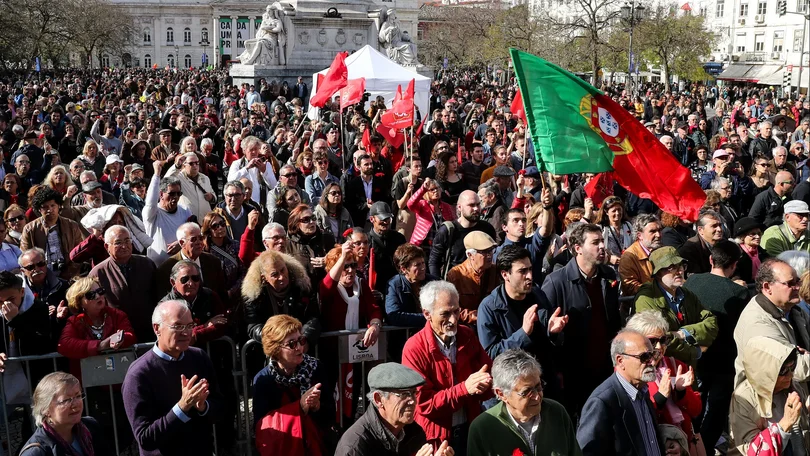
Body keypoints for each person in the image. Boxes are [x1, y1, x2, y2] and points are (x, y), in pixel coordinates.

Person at [122, 300, 223, 456]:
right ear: (157, 328)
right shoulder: (139, 374)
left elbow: (220, 407)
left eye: (189, 325)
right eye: (178, 326)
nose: (186, 332)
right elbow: (145, 437)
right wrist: (181, 408)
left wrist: (203, 407)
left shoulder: (199, 357)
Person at [401, 281, 493, 453]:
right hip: (436, 440)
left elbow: (487, 370)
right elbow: (423, 403)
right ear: (427, 314)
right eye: (445, 314)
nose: (453, 319)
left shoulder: (466, 334)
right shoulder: (414, 348)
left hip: (470, 428)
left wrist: (487, 382)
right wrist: (465, 388)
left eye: (456, 311)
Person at [682, 240, 750, 454]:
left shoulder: (691, 282)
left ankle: (690, 443)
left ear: (711, 259)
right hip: (724, 361)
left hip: (696, 357)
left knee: (694, 405)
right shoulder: (738, 292)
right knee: (717, 410)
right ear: (735, 264)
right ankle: (705, 447)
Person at [467, 349, 581, 456]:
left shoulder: (556, 413)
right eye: (526, 392)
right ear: (501, 394)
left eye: (538, 387)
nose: (537, 397)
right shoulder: (483, 428)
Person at [252, 315, 336, 456]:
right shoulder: (263, 380)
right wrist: (299, 407)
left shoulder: (316, 368)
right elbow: (261, 426)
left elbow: (330, 414)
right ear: (276, 349)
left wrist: (317, 407)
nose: (299, 347)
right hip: (284, 448)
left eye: (301, 340)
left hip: (314, 446)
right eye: (292, 344)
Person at [625, 312, 703, 456]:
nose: (660, 347)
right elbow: (635, 419)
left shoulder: (676, 365)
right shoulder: (630, 372)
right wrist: (660, 397)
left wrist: (681, 392)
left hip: (685, 442)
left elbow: (696, 410)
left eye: (663, 340)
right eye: (652, 341)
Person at [334, 363, 454, 456]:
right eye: (404, 394)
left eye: (413, 393)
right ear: (379, 399)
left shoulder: (413, 432)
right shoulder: (355, 446)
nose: (412, 401)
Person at [576, 329, 664, 456]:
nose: (651, 362)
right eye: (644, 357)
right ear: (620, 360)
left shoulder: (642, 391)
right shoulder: (602, 402)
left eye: (653, 355)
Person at [634, 246, 718, 366]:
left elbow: (712, 323)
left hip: (688, 369)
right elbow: (658, 339)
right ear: (658, 273)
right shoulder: (646, 298)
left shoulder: (686, 294)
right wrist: (695, 351)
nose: (679, 271)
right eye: (671, 268)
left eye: (681, 266)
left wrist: (683, 333)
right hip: (661, 368)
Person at [734, 258, 810, 387]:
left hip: (794, 396)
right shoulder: (757, 322)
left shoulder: (795, 311)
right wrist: (801, 357)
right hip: (768, 403)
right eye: (790, 283)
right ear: (767, 287)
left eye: (798, 281)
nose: (797, 287)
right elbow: (794, 368)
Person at [729, 336, 810, 455]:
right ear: (766, 372)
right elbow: (752, 451)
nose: (790, 375)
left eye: (792, 367)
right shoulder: (744, 399)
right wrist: (785, 423)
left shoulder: (793, 387)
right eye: (783, 371)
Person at [88, 225, 158, 341]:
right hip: (118, 335)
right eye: (118, 243)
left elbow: (157, 295)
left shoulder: (146, 264)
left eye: (127, 241)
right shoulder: (98, 273)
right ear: (107, 246)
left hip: (149, 330)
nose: (124, 246)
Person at [57, 276, 136, 376]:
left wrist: (121, 338)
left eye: (100, 291)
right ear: (79, 302)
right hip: (88, 383)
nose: (98, 296)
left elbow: (130, 335)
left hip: (118, 379)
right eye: (91, 295)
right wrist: (99, 346)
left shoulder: (117, 315)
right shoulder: (74, 321)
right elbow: (64, 345)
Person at [20, 372, 112, 455]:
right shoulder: (36, 452)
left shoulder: (90, 427)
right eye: (66, 400)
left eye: (78, 396)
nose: (75, 404)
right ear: (45, 409)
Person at [242, 249, 321, 343]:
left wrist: (302, 339)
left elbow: (313, 318)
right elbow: (253, 325)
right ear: (264, 277)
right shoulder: (254, 296)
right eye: (275, 274)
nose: (281, 277)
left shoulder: (301, 288)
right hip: (270, 350)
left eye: (283, 270)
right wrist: (278, 338)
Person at [428, 190, 496, 279]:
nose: (476, 208)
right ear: (459, 207)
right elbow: (434, 262)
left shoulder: (487, 228)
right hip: (455, 282)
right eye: (471, 205)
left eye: (478, 204)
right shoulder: (447, 230)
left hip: (484, 284)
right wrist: (438, 286)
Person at [20, 186, 84, 279]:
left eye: (53, 205)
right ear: (39, 210)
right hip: (42, 277)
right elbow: (26, 256)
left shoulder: (71, 225)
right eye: (45, 207)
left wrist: (69, 273)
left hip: (70, 276)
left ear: (58, 206)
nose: (50, 210)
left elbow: (79, 253)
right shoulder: (29, 229)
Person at [159, 261, 228, 345]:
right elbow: (175, 336)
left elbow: (222, 324)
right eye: (185, 279)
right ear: (173, 282)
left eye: (195, 278)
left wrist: (195, 335)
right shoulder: (165, 306)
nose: (191, 283)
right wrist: (205, 326)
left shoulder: (210, 296)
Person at [155, 222, 228, 301]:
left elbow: (222, 294)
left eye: (201, 238)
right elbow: (164, 302)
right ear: (182, 243)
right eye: (193, 239)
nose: (199, 242)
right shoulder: (166, 269)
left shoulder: (213, 262)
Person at [445, 232, 500, 326]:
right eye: (484, 252)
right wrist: (475, 317)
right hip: (465, 326)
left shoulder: (495, 271)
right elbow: (450, 307)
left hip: (491, 323)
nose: (490, 255)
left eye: (491, 250)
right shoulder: (456, 275)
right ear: (470, 255)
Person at [143, 161, 192, 266]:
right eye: (171, 193)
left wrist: (181, 244)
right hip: (157, 268)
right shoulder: (152, 213)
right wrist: (156, 174)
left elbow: (192, 234)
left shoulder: (185, 210)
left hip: (182, 266)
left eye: (179, 193)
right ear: (161, 194)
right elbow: (150, 202)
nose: (176, 197)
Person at [407, 178, 457, 255]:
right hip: (422, 245)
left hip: (440, 245)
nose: (435, 191)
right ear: (426, 192)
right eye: (432, 189)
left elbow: (453, 224)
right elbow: (410, 204)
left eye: (437, 188)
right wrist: (423, 188)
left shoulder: (446, 206)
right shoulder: (422, 204)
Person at [619, 214, 663, 295]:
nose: (658, 235)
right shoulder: (629, 257)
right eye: (652, 231)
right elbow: (630, 286)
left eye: (659, 230)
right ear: (639, 235)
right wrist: (658, 291)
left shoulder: (662, 250)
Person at [165, 152, 216, 222]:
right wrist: (176, 166)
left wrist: (212, 197)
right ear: (184, 164)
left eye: (197, 163)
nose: (195, 165)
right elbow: (166, 179)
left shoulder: (205, 178)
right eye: (191, 163)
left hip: (205, 221)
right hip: (187, 220)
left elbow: (214, 196)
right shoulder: (179, 177)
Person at [678, 210, 724, 275]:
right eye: (714, 226)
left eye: (720, 225)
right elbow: (696, 279)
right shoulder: (689, 250)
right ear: (700, 230)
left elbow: (733, 267)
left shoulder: (725, 244)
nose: (719, 229)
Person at [732, 216, 769, 283]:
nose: (757, 237)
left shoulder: (762, 253)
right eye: (753, 234)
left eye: (759, 233)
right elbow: (733, 274)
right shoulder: (736, 254)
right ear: (742, 237)